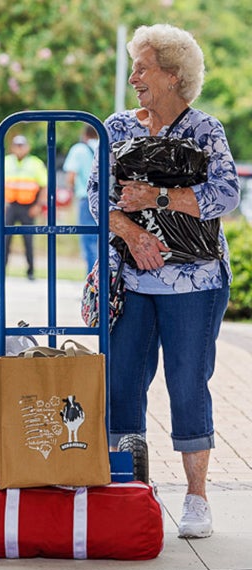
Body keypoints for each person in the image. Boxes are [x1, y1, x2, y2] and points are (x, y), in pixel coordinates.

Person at [88, 24, 240, 538]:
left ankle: (196, 499)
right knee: (123, 384)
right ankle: (126, 488)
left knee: (187, 384)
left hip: (195, 285)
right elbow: (96, 199)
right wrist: (131, 233)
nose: (134, 77)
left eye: (143, 68)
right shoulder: (116, 128)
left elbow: (225, 196)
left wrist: (153, 199)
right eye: (134, 67)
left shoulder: (205, 130)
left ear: (174, 76)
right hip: (130, 282)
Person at [0, 135, 47, 280]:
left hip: (29, 206)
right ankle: (2, 270)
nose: (19, 149)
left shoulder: (35, 163)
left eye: (22, 145)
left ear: (27, 147)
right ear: (12, 147)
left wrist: (39, 206)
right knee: (5, 238)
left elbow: (44, 186)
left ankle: (31, 271)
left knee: (28, 239)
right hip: (11, 206)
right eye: (17, 145)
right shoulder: (6, 162)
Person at [63, 125, 99, 275]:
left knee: (88, 240)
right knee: (103, 240)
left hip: (86, 199)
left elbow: (71, 176)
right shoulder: (105, 146)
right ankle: (107, 281)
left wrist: (70, 191)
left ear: (84, 135)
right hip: (107, 199)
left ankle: (93, 281)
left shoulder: (78, 149)